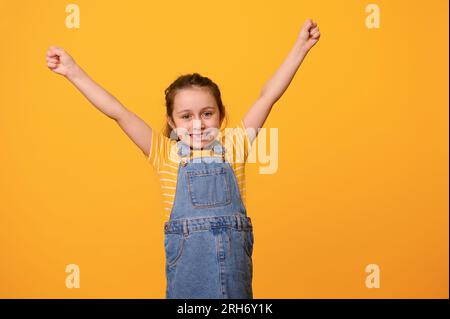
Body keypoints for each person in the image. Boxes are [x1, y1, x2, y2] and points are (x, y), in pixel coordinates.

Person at [46, 19, 321, 299]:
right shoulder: (164, 153)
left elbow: (268, 95)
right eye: (186, 116)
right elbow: (118, 111)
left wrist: (301, 46)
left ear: (221, 115)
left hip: (234, 279)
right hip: (189, 279)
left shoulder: (235, 145)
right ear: (172, 121)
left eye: (207, 113)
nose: (198, 124)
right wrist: (72, 71)